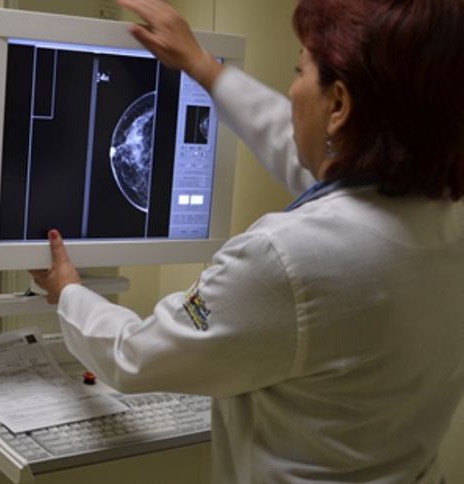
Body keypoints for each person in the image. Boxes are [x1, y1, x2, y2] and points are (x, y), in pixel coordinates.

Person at [31, 0, 464, 482]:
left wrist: (68, 292)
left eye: (299, 71)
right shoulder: (442, 218)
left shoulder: (286, 258)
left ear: (339, 105)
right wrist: (204, 68)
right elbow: (306, 151)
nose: (290, 91)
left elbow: (135, 356)